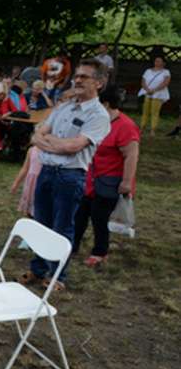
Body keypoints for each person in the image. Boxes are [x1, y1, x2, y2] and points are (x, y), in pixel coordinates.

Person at [21, 58, 111, 290]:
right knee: (41, 223)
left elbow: (74, 147)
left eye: (84, 77)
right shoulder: (64, 107)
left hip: (70, 177)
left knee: (62, 227)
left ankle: (57, 276)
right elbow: (36, 135)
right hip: (47, 171)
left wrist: (48, 142)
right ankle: (37, 269)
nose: (77, 80)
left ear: (99, 83)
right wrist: (53, 142)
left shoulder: (98, 115)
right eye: (77, 76)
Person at [72, 87, 139, 268]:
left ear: (106, 104)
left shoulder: (125, 126)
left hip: (109, 181)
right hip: (89, 178)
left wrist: (126, 182)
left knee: (99, 217)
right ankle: (72, 245)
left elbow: (131, 155)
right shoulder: (96, 121)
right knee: (79, 214)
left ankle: (100, 252)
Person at [138, 55, 170, 136]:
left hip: (158, 94)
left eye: (159, 61)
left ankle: (153, 129)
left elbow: (165, 83)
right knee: (145, 111)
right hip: (147, 93)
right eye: (156, 61)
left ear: (164, 63)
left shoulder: (166, 72)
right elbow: (143, 81)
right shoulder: (148, 71)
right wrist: (147, 90)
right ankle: (142, 128)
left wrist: (154, 90)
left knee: (155, 112)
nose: (157, 62)